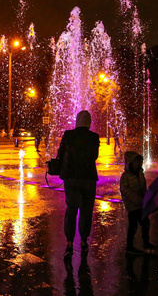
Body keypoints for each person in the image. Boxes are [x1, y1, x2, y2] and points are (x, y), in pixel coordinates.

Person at [57, 110, 100, 257]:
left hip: (72, 178)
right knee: (86, 210)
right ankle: (83, 240)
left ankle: (69, 242)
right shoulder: (94, 137)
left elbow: (60, 155)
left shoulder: (68, 135)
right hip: (88, 178)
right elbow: (94, 156)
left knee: (71, 209)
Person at [120, 151, 156, 255]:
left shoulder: (140, 174)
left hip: (142, 204)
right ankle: (129, 246)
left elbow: (143, 187)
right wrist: (137, 200)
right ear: (129, 163)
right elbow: (125, 190)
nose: (137, 164)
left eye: (138, 162)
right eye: (134, 162)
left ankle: (146, 242)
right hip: (132, 206)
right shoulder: (125, 176)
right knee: (133, 225)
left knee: (145, 223)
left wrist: (146, 197)